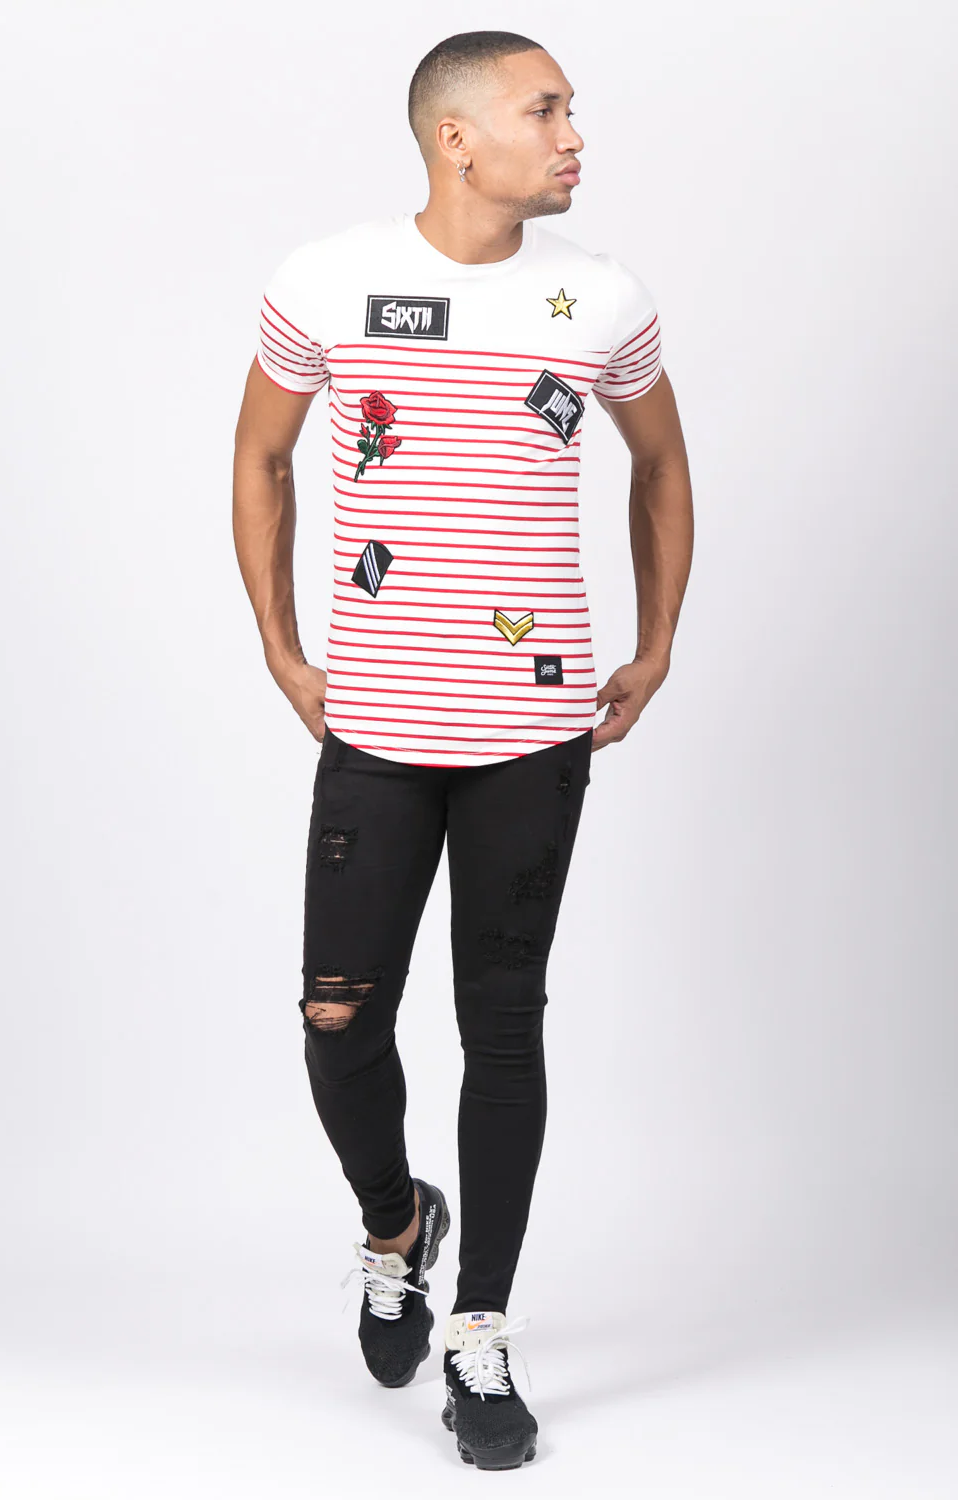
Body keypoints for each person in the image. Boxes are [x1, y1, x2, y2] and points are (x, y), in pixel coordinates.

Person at [232, 29, 693, 1471]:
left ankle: (479, 1329)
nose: (573, 136)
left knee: (502, 1024)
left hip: (533, 735)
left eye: (570, 111)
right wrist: (283, 648)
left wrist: (657, 642)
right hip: (377, 728)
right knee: (338, 1019)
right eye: (544, 110)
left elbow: (660, 461)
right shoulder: (328, 280)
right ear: (456, 137)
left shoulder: (598, 297)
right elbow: (260, 456)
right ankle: (396, 1226)